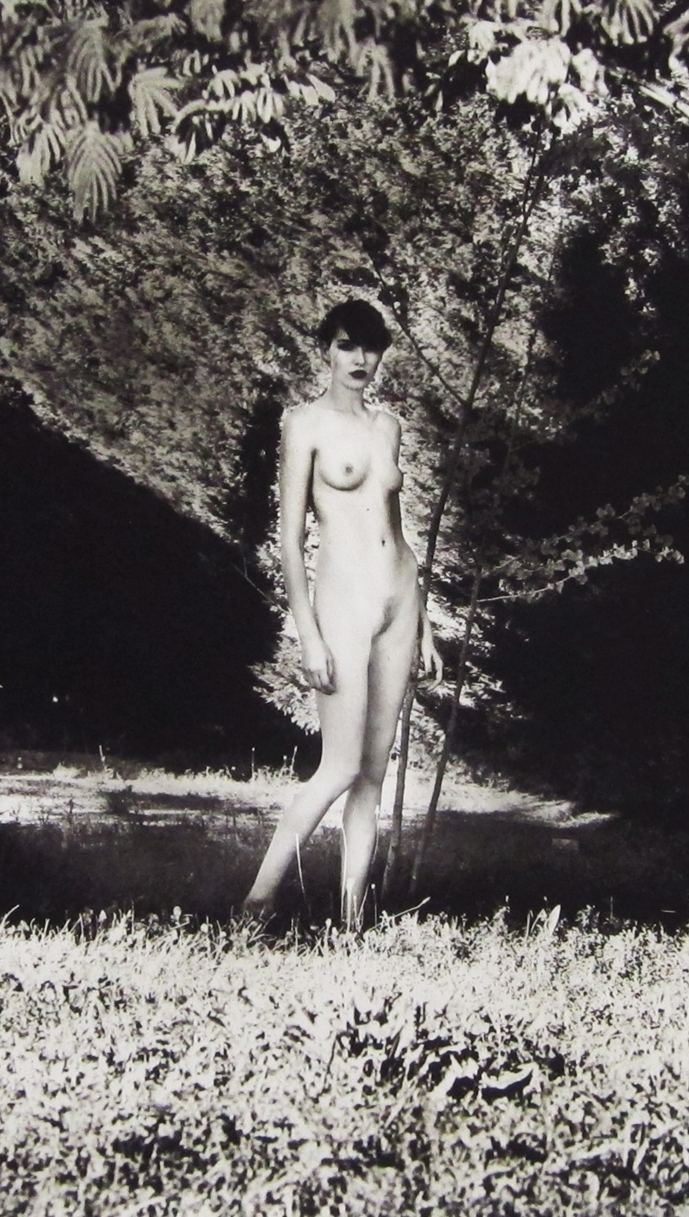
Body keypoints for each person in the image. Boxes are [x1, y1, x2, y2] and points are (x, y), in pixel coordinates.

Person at [241, 299, 442, 926]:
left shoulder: (388, 427)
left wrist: (424, 625)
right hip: (343, 600)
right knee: (340, 765)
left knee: (373, 774)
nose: (360, 359)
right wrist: (308, 634)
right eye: (348, 345)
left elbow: (399, 533)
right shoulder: (304, 424)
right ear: (326, 350)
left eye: (371, 347)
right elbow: (289, 540)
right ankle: (255, 903)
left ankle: (355, 920)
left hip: (398, 596)